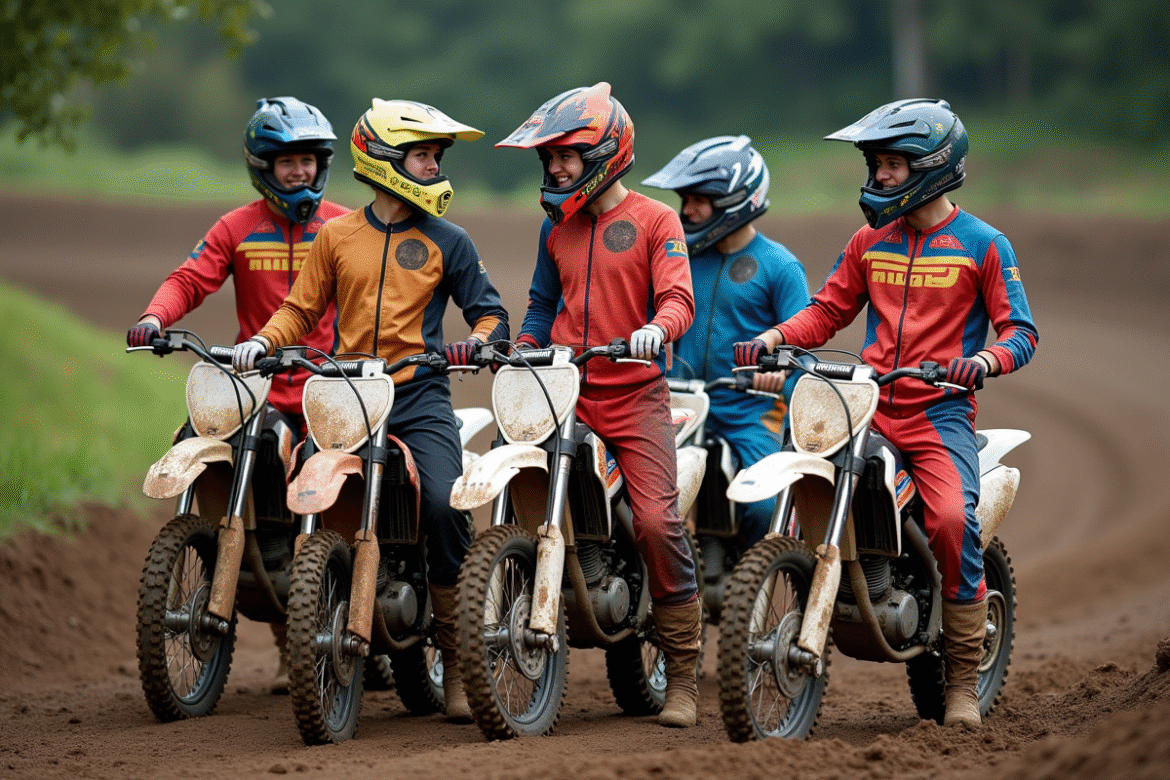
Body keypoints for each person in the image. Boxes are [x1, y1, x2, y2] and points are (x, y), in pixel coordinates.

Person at [733, 98, 1038, 728]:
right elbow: (827, 311)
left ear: (932, 166)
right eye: (876, 164)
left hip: (938, 415)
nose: (879, 177)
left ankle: (958, 682)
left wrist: (980, 364)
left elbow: (1021, 333)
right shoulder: (868, 241)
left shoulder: (984, 244)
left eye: (893, 165)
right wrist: (776, 340)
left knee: (953, 518)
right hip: (864, 406)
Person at [231, 98, 509, 722]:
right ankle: (313, 626)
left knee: (443, 501)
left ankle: (459, 663)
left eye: (437, 157)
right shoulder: (336, 236)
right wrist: (262, 343)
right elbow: (300, 311)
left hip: (418, 397)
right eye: (423, 155)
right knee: (301, 486)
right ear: (384, 160)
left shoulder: (449, 239)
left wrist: (481, 344)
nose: (435, 167)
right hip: (345, 396)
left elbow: (489, 312)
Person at [497, 82, 702, 728]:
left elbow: (678, 300)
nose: (555, 168)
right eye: (548, 158)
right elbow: (538, 305)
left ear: (607, 152)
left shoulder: (655, 220)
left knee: (654, 522)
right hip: (564, 392)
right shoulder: (553, 228)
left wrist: (656, 330)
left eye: (566, 156)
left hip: (635, 394)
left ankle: (684, 679)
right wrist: (524, 347)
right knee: (512, 485)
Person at [127, 96, 347, 695]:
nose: (299, 171)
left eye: (308, 160)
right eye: (287, 162)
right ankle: (285, 642)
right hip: (257, 391)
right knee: (198, 447)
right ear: (263, 166)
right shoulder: (237, 228)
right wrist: (154, 317)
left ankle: (349, 620)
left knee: (326, 497)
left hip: (331, 393)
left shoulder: (345, 226)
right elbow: (189, 279)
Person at [642, 135, 810, 561]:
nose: (687, 210)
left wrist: (782, 372)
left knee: (763, 505)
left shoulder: (780, 265)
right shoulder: (675, 258)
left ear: (737, 200)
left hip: (750, 408)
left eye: (700, 200)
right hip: (677, 404)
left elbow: (803, 342)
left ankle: (750, 591)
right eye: (685, 198)